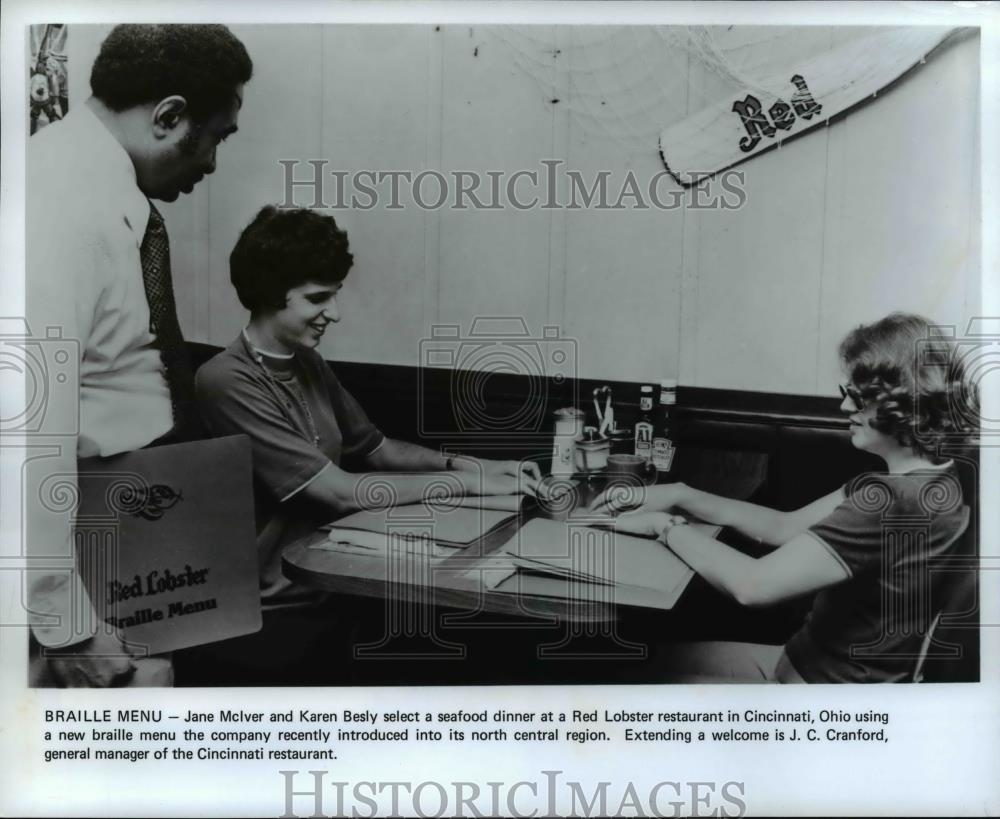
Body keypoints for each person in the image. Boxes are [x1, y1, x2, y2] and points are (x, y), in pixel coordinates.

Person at [185, 206, 540, 684]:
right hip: (271, 612)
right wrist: (467, 485)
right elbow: (341, 492)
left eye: (334, 295)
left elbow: (376, 448)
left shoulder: (308, 363)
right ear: (272, 295)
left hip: (336, 585)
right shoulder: (224, 380)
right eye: (317, 298)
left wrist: (472, 464)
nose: (334, 312)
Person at [25, 24, 253, 687]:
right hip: (79, 582)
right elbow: (28, 427)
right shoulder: (56, 200)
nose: (211, 162)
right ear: (168, 116)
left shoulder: (99, 191)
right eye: (215, 137)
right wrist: (65, 622)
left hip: (130, 552)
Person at [590, 313, 976, 683]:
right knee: (636, 663)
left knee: (615, 677)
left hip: (818, 696)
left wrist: (665, 525)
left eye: (857, 397)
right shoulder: (935, 481)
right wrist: (680, 493)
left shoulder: (891, 501)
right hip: (800, 663)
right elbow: (782, 526)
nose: (844, 406)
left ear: (903, 403)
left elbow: (752, 586)